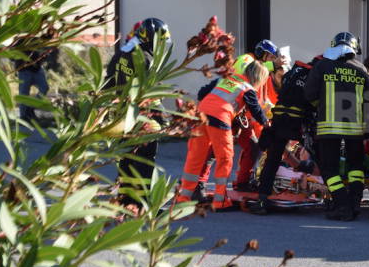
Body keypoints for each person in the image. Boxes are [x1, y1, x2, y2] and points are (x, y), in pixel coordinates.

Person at [176, 61, 270, 211]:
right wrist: (266, 122)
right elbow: (256, 110)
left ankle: (183, 198)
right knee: (224, 158)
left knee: (195, 158)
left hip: (201, 115)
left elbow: (202, 93)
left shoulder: (226, 79)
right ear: (259, 78)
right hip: (219, 118)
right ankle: (220, 202)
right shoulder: (248, 88)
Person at [105, 17, 171, 208]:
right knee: (144, 163)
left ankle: (126, 201)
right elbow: (152, 95)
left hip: (120, 118)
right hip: (143, 120)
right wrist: (164, 120)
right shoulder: (147, 60)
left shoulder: (121, 54)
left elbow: (108, 83)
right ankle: (142, 204)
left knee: (126, 160)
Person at [304, 32, 369, 221]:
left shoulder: (322, 65)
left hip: (328, 127)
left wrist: (322, 107)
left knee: (329, 169)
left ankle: (342, 205)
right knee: (356, 167)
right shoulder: (361, 69)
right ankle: (355, 203)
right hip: (355, 128)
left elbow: (309, 94)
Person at [250, 55, 318, 215]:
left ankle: (262, 200)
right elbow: (313, 99)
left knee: (272, 160)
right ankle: (335, 198)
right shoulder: (315, 74)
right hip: (298, 120)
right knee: (320, 154)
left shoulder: (293, 72)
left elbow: (282, 92)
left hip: (279, 118)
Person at [232, 39, 280, 190]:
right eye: (271, 58)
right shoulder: (246, 59)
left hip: (243, 114)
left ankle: (244, 181)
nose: (273, 62)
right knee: (215, 152)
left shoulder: (264, 75)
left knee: (254, 148)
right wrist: (272, 65)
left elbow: (263, 100)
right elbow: (246, 70)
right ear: (263, 54)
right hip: (234, 112)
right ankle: (241, 182)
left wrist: (276, 112)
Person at [17, 47, 58, 121]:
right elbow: (12, 56)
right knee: (23, 93)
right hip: (24, 69)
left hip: (37, 69)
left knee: (44, 87)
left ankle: (30, 108)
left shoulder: (39, 38)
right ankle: (23, 116)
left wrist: (45, 55)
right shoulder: (20, 39)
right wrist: (22, 57)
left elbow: (45, 51)